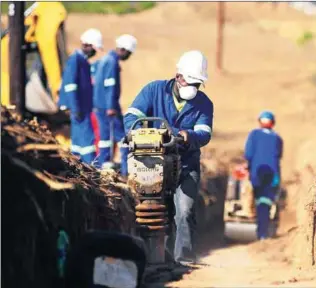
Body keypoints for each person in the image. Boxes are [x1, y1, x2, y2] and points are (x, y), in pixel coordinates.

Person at [123, 50, 213, 265]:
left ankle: (184, 258)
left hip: (186, 163)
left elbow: (205, 133)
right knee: (150, 208)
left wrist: (187, 135)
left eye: (197, 84)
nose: (193, 88)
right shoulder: (153, 90)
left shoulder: (204, 104)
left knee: (185, 211)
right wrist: (135, 133)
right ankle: (149, 256)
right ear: (178, 76)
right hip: (152, 161)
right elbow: (132, 116)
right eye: (190, 82)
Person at [93, 34, 137, 176]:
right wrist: (111, 106)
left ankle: (103, 167)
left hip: (100, 106)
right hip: (108, 107)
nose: (128, 57)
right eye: (129, 54)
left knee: (105, 138)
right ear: (124, 50)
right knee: (123, 139)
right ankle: (125, 172)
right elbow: (110, 86)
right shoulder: (112, 62)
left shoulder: (105, 59)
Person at [58, 28, 103, 164]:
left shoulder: (82, 61)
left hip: (82, 108)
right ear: (87, 45)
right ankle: (90, 165)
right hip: (79, 108)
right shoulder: (76, 60)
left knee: (78, 139)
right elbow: (70, 86)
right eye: (94, 48)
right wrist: (75, 107)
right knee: (87, 138)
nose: (95, 52)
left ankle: (76, 163)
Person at [244, 111, 283, 240]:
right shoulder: (277, 138)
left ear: (260, 121)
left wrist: (248, 166)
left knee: (256, 199)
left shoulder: (254, 135)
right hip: (273, 175)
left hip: (257, 172)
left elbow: (248, 154)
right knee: (265, 202)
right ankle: (263, 233)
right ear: (273, 123)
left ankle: (259, 230)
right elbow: (279, 156)